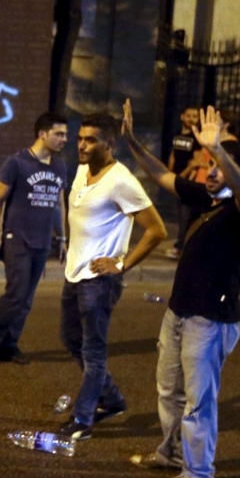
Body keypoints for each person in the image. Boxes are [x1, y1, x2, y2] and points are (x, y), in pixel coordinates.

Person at [121, 100, 240, 478]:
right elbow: (163, 176)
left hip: (211, 320)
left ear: (238, 172)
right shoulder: (206, 199)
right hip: (178, 313)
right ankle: (170, 454)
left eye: (218, 167)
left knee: (198, 401)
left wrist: (219, 148)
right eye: (209, 165)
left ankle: (199, 472)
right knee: (168, 389)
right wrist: (132, 141)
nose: (211, 172)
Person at [57, 113, 166, 440]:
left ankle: (83, 418)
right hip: (73, 273)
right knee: (70, 339)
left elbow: (156, 230)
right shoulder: (80, 171)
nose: (82, 145)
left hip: (99, 281)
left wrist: (121, 265)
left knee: (93, 351)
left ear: (109, 144)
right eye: (80, 138)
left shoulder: (121, 181)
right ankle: (113, 399)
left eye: (91, 140)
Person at [0, 112, 69, 366]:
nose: (64, 139)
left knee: (27, 298)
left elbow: (58, 205)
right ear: (42, 134)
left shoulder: (59, 166)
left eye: (65, 134)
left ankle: (9, 345)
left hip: (42, 241)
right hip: (17, 238)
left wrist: (61, 238)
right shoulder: (17, 163)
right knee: (16, 294)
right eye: (59, 134)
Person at [165, 105, 206, 260]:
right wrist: (169, 173)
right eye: (188, 115)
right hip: (177, 178)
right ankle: (185, 247)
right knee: (182, 215)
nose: (191, 119)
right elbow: (173, 155)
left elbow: (196, 161)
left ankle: (180, 247)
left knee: (185, 216)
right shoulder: (177, 134)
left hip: (187, 181)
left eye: (195, 116)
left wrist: (182, 178)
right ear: (182, 117)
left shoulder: (196, 138)